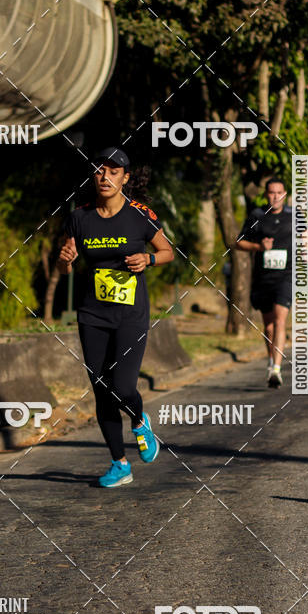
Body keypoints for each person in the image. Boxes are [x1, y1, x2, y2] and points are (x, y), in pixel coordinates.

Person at [57, 148, 174, 487]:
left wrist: (148, 260)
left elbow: (167, 251)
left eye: (113, 171)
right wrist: (66, 260)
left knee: (122, 387)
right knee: (101, 389)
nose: (105, 176)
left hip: (131, 315)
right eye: (99, 171)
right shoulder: (79, 217)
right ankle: (119, 464)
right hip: (93, 314)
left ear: (124, 177)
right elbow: (65, 267)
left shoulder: (140, 215)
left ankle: (140, 422)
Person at [237, 177, 292, 388]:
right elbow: (238, 243)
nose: (275, 197)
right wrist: (259, 247)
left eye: (279, 192)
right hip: (263, 278)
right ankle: (272, 360)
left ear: (285, 194)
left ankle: (277, 369)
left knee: (280, 320)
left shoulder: (294, 216)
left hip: (286, 276)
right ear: (266, 194)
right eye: (271, 193)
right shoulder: (257, 216)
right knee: (269, 326)